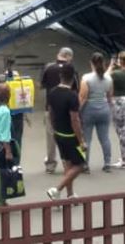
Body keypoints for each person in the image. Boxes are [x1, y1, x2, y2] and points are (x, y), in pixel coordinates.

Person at [46, 63, 87, 202]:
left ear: (60, 76)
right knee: (80, 165)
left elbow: (50, 112)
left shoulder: (52, 92)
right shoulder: (72, 96)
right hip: (71, 136)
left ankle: (70, 195)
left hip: (58, 133)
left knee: (68, 165)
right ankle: (56, 190)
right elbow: (75, 119)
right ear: (74, 77)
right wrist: (81, 140)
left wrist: (53, 127)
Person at [39, 47, 76, 174]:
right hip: (67, 107)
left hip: (50, 107)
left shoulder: (48, 67)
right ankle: (70, 162)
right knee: (68, 135)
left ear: (59, 54)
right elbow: (74, 87)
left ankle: (50, 165)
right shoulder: (71, 69)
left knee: (50, 137)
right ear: (68, 56)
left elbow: (42, 85)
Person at [79, 53, 113, 173]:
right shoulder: (108, 78)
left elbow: (83, 97)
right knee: (105, 138)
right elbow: (109, 97)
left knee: (86, 139)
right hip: (104, 109)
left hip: (89, 110)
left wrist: (77, 111)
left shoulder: (86, 78)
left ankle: (85, 165)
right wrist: (110, 109)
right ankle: (108, 163)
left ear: (91, 63)